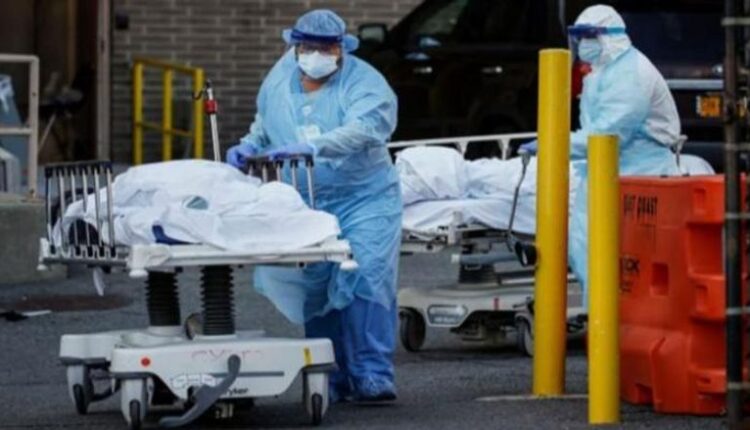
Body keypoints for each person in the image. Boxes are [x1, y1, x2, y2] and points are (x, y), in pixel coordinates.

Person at [225, 9, 402, 403]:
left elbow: (365, 130)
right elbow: (265, 124)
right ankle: (329, 373)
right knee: (317, 286)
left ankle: (372, 372)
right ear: (295, 47)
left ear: (341, 48)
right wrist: (249, 145)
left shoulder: (366, 83)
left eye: (328, 48)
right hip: (307, 200)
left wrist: (313, 146)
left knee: (366, 275)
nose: (318, 55)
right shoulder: (279, 80)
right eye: (310, 48)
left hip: (365, 198)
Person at [522, 5, 681, 305]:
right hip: (604, 171)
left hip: (640, 174)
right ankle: (599, 318)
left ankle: (616, 320)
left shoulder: (630, 75)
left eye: (589, 37)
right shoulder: (604, 72)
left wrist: (553, 145)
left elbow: (607, 136)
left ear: (610, 37)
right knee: (587, 248)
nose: (584, 45)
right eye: (580, 37)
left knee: (626, 255)